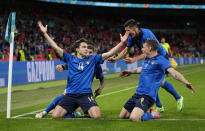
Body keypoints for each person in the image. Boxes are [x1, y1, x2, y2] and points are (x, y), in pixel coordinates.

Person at [37, 21, 128, 119]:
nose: (86, 49)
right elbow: (55, 47)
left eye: (87, 47)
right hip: (70, 95)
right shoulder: (70, 58)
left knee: (97, 116)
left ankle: (72, 112)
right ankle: (71, 113)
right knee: (55, 116)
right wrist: (45, 33)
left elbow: (110, 53)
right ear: (77, 49)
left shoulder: (93, 59)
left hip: (85, 95)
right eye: (84, 47)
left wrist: (122, 43)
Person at [108, 19, 184, 112]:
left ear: (135, 28)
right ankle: (161, 105)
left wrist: (134, 59)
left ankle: (177, 98)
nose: (126, 33)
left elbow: (149, 52)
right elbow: (126, 50)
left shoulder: (146, 34)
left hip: (160, 56)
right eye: (125, 31)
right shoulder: (132, 37)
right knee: (150, 82)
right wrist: (116, 59)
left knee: (159, 82)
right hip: (149, 57)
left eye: (128, 30)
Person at [119, 39, 195, 122]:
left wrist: (185, 82)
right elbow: (143, 69)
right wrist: (130, 72)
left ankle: (153, 114)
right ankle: (141, 111)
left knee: (134, 118)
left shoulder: (161, 60)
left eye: (143, 47)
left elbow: (174, 73)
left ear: (150, 48)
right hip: (137, 94)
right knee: (122, 116)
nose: (142, 49)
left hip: (147, 96)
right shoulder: (147, 59)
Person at [35, 45, 105, 119]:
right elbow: (73, 65)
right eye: (88, 51)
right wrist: (63, 67)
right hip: (72, 88)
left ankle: (70, 113)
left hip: (85, 92)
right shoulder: (79, 60)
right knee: (65, 95)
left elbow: (101, 78)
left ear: (93, 53)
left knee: (85, 112)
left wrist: (100, 88)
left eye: (91, 52)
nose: (88, 54)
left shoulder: (95, 64)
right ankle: (45, 112)